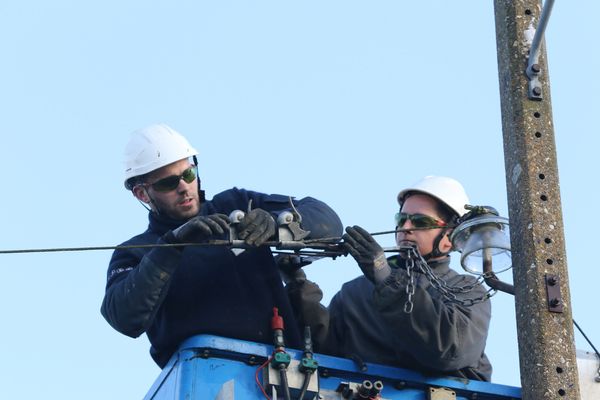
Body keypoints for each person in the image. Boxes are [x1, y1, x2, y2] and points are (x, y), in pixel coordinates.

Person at [100, 123, 343, 368]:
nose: (184, 187)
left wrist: (275, 224)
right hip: (204, 377)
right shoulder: (136, 252)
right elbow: (123, 317)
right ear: (142, 194)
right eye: (168, 183)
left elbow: (328, 222)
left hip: (283, 371)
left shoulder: (234, 204)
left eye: (188, 174)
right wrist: (172, 246)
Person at [286, 176, 492, 381]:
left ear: (451, 237)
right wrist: (297, 284)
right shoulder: (355, 293)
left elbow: (448, 350)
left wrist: (385, 277)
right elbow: (325, 351)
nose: (406, 227)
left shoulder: (466, 291)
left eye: (421, 221)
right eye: (401, 219)